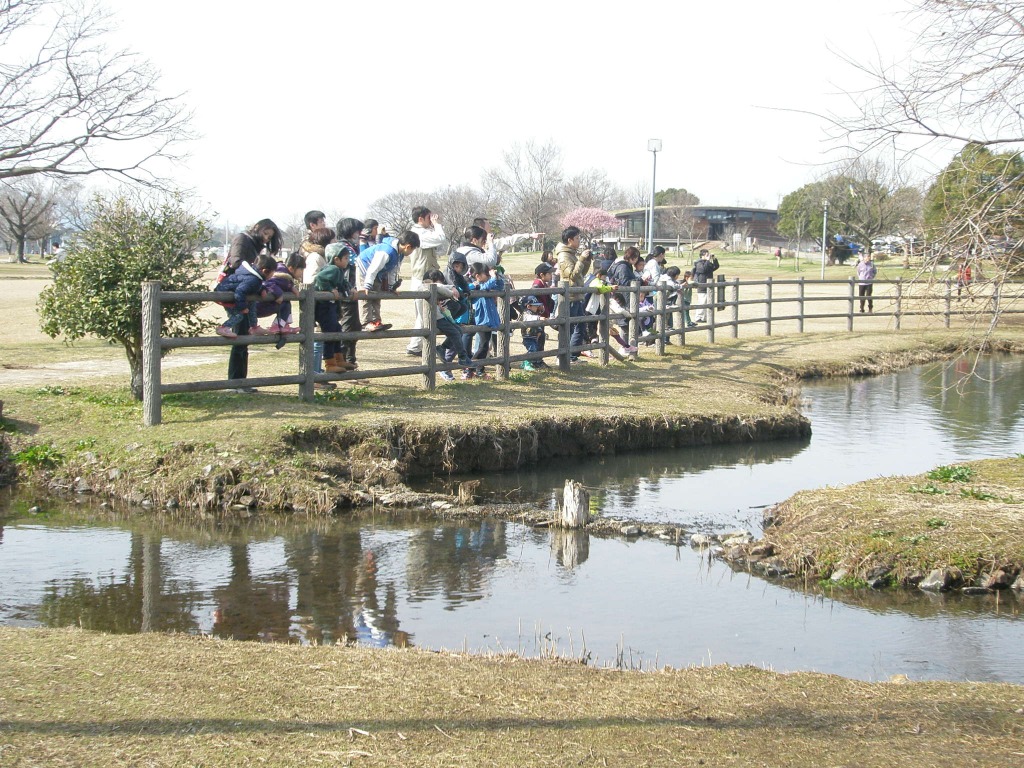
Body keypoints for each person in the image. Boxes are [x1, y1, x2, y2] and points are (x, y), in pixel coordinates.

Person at [220, 220, 283, 392]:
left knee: (244, 334)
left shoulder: (254, 244)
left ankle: (240, 381)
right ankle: (235, 382)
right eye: (265, 234)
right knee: (240, 334)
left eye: (269, 236)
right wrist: (256, 280)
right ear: (257, 228)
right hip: (237, 291)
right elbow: (237, 263)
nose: (266, 238)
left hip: (245, 290)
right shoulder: (242, 239)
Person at [406, 206, 448, 356]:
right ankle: (415, 347)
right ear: (421, 218)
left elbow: (440, 242)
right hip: (421, 279)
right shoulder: (418, 234)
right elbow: (440, 238)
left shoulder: (423, 233)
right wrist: (437, 225)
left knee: (424, 314)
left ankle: (415, 346)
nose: (432, 219)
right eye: (429, 217)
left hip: (426, 278)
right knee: (424, 314)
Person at [357, 231, 418, 331]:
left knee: (377, 295)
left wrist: (391, 287)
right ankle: (366, 323)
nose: (412, 252)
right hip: (365, 266)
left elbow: (393, 270)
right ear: (408, 247)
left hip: (377, 273)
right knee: (366, 296)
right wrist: (367, 285)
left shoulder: (399, 254)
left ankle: (376, 321)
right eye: (413, 249)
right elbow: (373, 268)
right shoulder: (387, 251)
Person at [314, 239, 358, 373]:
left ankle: (339, 360)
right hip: (324, 307)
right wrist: (329, 289)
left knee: (337, 329)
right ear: (336, 259)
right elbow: (320, 279)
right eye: (345, 258)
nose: (347, 261)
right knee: (330, 334)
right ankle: (330, 363)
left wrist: (351, 289)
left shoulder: (338, 271)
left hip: (330, 307)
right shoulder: (333, 269)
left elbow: (343, 283)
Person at [327, 218, 364, 369]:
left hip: (352, 290)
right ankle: (342, 360)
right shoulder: (343, 248)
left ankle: (350, 360)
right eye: (357, 231)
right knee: (348, 326)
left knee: (355, 326)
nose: (359, 234)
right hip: (347, 292)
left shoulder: (352, 246)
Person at [422, 269, 472, 381]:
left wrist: (451, 288)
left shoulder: (431, 287)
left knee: (458, 330)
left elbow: (440, 287)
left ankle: (442, 347)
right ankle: (463, 357)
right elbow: (439, 287)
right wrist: (450, 293)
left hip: (438, 316)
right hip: (434, 318)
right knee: (455, 332)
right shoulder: (426, 286)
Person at [553, 226, 593, 363]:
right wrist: (581, 259)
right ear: (570, 240)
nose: (579, 240)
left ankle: (571, 356)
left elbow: (581, 274)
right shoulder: (564, 255)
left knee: (580, 326)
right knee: (568, 328)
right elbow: (571, 276)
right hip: (569, 298)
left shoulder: (571, 253)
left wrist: (586, 261)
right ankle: (562, 357)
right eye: (577, 238)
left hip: (577, 296)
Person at [216, 253, 277, 339]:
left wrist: (262, 289)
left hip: (228, 291)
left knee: (252, 303)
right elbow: (240, 291)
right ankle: (223, 328)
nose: (272, 275)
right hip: (225, 294)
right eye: (272, 273)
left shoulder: (253, 277)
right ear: (264, 271)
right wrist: (242, 307)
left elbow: (250, 287)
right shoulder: (253, 279)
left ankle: (254, 327)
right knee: (239, 315)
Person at [466, 261, 503, 379]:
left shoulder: (486, 283)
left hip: (489, 319)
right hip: (482, 319)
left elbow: (500, 286)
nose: (487, 276)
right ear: (477, 275)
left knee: (485, 346)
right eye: (485, 273)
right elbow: (485, 287)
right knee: (482, 346)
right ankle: (470, 368)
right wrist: (492, 278)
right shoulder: (474, 286)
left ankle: (478, 369)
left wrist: (498, 277)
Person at [254, 251, 305, 334]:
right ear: (291, 268)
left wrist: (291, 288)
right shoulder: (282, 274)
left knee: (286, 303)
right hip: (259, 305)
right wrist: (279, 294)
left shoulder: (286, 276)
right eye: (301, 269)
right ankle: (278, 326)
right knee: (285, 303)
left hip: (262, 304)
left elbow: (282, 284)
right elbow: (268, 283)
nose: (302, 272)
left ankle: (283, 325)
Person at [472, 217, 543, 266]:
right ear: (481, 228)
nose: (490, 228)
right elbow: (509, 241)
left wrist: (529, 235)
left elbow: (510, 240)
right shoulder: (475, 247)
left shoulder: (491, 243)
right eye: (488, 226)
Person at [519, 296, 547, 371]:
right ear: (528, 306)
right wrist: (538, 318)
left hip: (534, 336)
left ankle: (527, 362)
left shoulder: (534, 312)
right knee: (532, 350)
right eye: (535, 305)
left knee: (534, 349)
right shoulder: (526, 314)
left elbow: (541, 312)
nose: (537, 307)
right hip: (528, 337)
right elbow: (529, 318)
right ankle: (527, 363)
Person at [692, 248, 720, 322]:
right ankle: (698, 317)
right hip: (702, 285)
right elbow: (703, 269)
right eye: (707, 254)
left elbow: (716, 267)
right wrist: (707, 260)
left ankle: (704, 318)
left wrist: (714, 259)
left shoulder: (708, 263)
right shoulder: (698, 263)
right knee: (702, 302)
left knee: (708, 302)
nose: (708, 256)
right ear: (702, 255)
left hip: (708, 285)